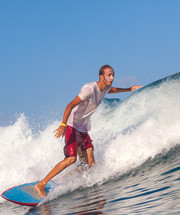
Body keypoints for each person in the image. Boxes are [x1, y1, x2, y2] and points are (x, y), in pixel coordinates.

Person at [35, 65, 143, 198]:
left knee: (89, 163)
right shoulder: (89, 89)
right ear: (101, 77)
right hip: (72, 126)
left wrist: (129, 89)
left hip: (83, 129)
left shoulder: (105, 87)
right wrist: (63, 124)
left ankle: (66, 179)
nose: (112, 77)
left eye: (113, 75)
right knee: (71, 159)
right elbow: (70, 105)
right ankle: (42, 184)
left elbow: (111, 90)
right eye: (109, 75)